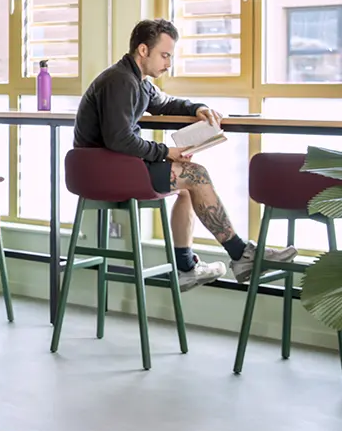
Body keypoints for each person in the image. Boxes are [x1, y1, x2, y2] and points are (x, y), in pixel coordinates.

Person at [74, 18, 296, 290]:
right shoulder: (121, 81)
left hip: (110, 167)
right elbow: (119, 139)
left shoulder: (138, 80)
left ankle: (186, 267)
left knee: (188, 187)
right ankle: (241, 255)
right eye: (164, 55)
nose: (168, 63)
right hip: (104, 171)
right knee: (195, 174)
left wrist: (196, 109)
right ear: (143, 50)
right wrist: (167, 152)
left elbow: (165, 103)